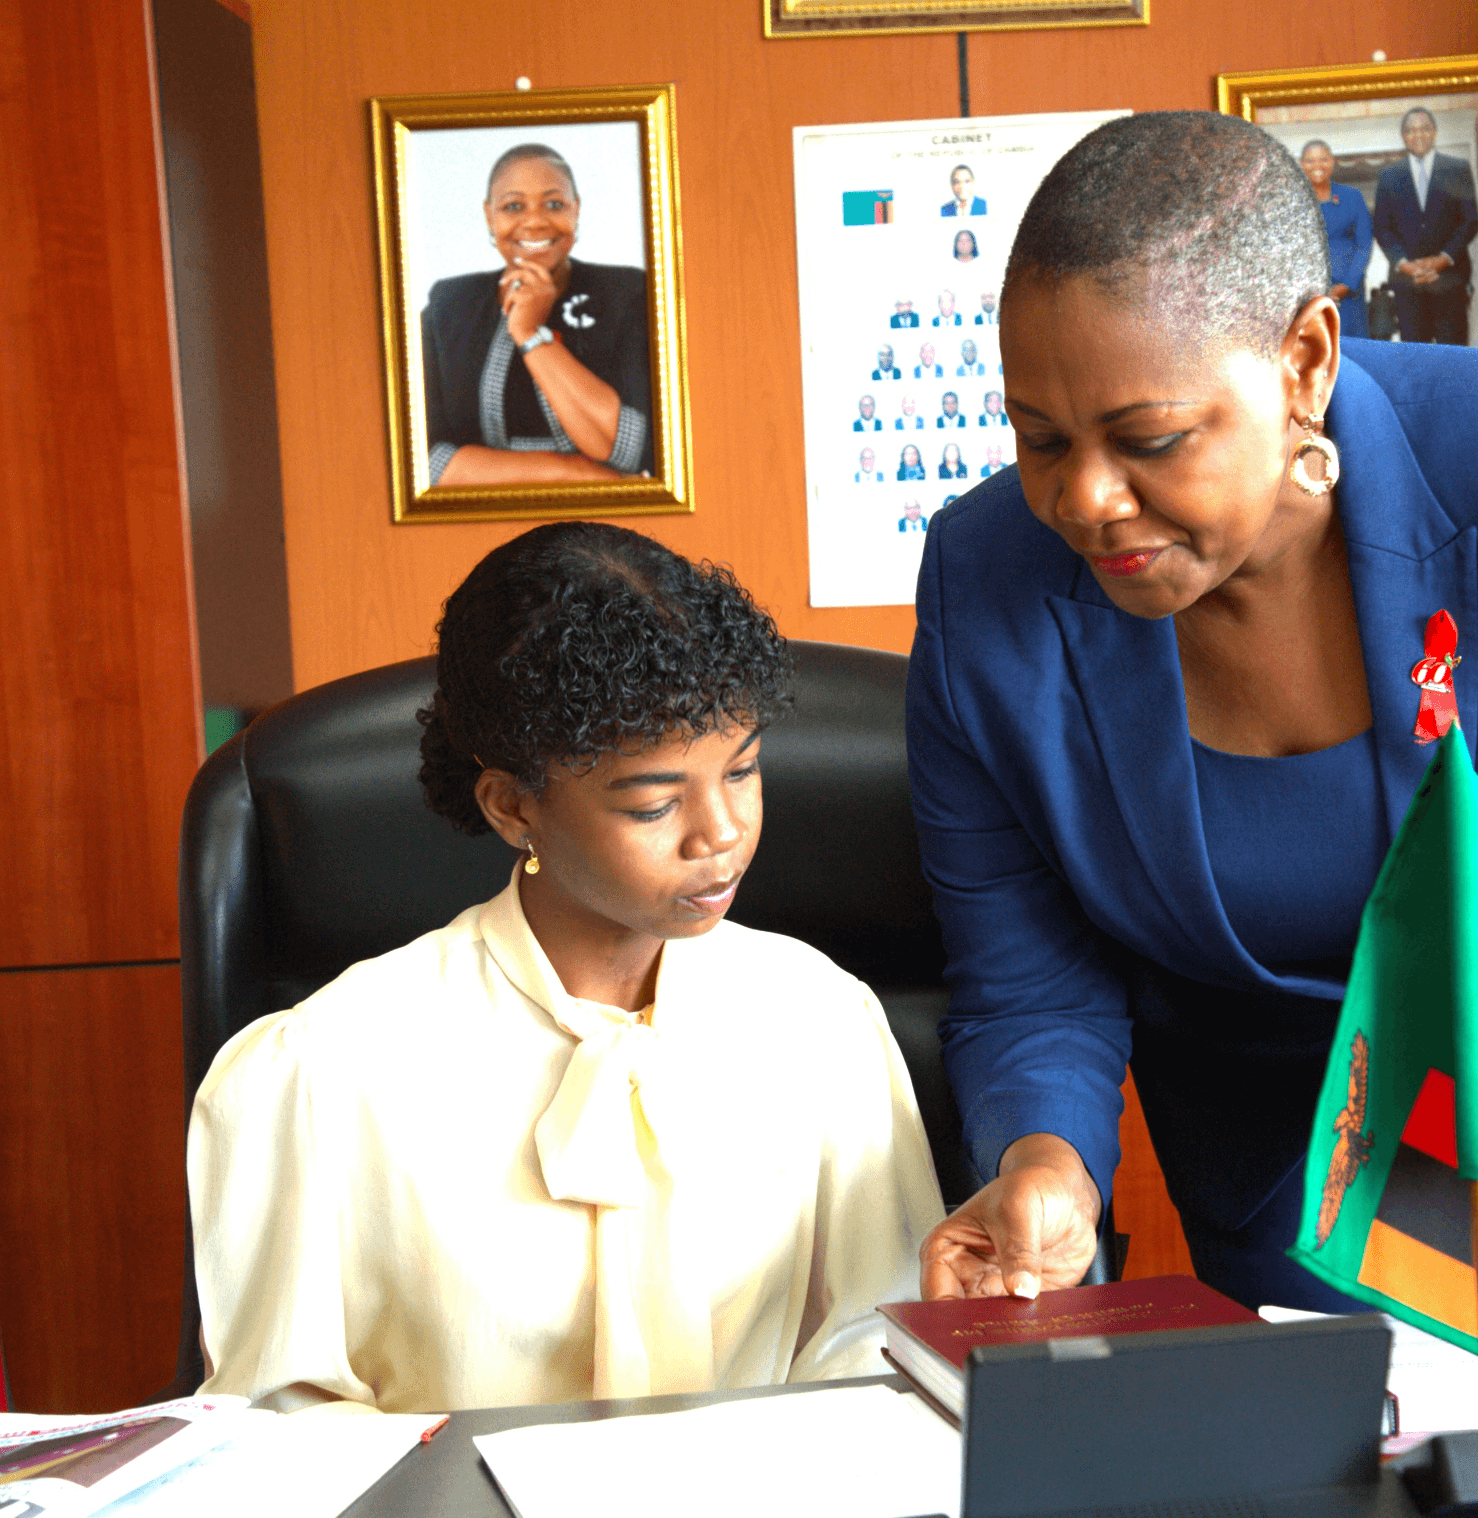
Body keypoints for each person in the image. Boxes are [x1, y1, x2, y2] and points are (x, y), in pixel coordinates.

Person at [906, 112, 1478, 1313]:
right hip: (1279, 1188)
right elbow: (1032, 981)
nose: (1084, 499)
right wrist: (1045, 1162)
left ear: (1307, 360)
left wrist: (1460, 1150)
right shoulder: (985, 586)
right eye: (1038, 438)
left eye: (1149, 439)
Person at [193, 523, 944, 1411]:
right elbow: (277, 1422)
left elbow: (877, 1344)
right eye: (656, 803)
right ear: (514, 808)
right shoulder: (322, 1071)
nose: (722, 835)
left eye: (742, 773)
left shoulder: (819, 1019)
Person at [422, 144, 655, 487]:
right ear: (490, 216)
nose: (534, 221)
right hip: (476, 523)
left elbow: (626, 448)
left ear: (577, 210)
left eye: (554, 204)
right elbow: (426, 462)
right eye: (513, 206)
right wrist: (576, 472)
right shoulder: (450, 305)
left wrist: (530, 332)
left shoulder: (628, 293)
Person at [1371, 108, 1478, 346]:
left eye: (1424, 129)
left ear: (1435, 132)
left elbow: (1471, 221)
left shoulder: (1457, 169)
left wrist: (1441, 260)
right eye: (1411, 130)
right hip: (1408, 285)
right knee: (1415, 359)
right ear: (1403, 136)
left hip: (1450, 280)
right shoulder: (1388, 176)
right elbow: (1382, 228)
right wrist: (1408, 266)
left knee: (1454, 356)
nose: (1418, 135)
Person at [1300, 140, 1372, 342]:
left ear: (1332, 162)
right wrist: (1313, 292)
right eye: (1310, 161)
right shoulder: (1292, 200)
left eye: (1323, 159)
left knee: (1353, 352)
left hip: (1348, 294)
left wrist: (1346, 285)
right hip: (1309, 297)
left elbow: (1364, 245)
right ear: (1301, 164)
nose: (1317, 166)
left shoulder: (1352, 197)